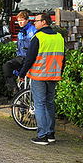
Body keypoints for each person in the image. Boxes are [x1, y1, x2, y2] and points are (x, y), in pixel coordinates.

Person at [18, 12, 65, 145]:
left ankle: (42, 135)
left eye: (36, 21)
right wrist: (59, 72)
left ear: (44, 22)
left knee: (39, 105)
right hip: (54, 75)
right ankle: (51, 134)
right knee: (49, 103)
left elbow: (29, 58)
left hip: (39, 75)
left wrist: (22, 73)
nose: (34, 23)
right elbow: (63, 58)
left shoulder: (38, 37)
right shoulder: (59, 37)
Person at [2, 11, 37, 94]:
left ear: (27, 20)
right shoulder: (20, 34)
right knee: (7, 66)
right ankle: (14, 89)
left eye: (22, 20)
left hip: (30, 58)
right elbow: (18, 49)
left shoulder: (33, 30)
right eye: (18, 21)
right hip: (21, 58)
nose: (19, 23)